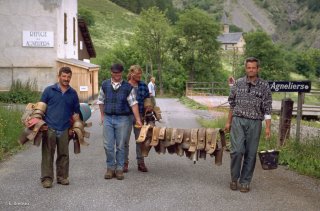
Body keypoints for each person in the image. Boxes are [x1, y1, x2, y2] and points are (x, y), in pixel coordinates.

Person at [224, 57, 272, 193]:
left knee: (251, 153)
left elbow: (267, 108)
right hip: (238, 120)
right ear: (246, 68)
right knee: (237, 151)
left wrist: (267, 127)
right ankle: (234, 178)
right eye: (248, 67)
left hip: (255, 122)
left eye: (253, 68)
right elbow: (232, 104)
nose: (251, 70)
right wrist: (228, 122)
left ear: (258, 69)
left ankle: (245, 181)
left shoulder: (264, 86)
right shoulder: (238, 83)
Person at [97, 63, 142, 180]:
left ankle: (120, 169)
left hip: (123, 118)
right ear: (111, 72)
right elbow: (101, 101)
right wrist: (102, 115)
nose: (117, 75)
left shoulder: (128, 87)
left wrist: (138, 120)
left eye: (119, 73)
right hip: (108, 117)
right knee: (108, 145)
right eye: (115, 73)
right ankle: (110, 168)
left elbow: (134, 104)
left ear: (122, 73)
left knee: (121, 145)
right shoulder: (105, 85)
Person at [40, 66, 81, 188]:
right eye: (64, 76)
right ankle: (47, 179)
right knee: (48, 154)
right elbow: (40, 109)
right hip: (49, 127)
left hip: (65, 128)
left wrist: (74, 128)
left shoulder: (73, 94)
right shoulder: (49, 90)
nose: (66, 79)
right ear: (59, 76)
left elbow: (76, 113)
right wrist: (41, 125)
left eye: (68, 77)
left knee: (64, 154)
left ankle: (62, 177)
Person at [124, 65, 151, 173]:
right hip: (125, 116)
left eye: (140, 74)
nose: (140, 76)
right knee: (124, 140)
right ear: (131, 74)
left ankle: (141, 163)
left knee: (140, 139)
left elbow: (147, 99)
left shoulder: (144, 85)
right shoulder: (124, 85)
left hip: (139, 115)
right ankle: (124, 163)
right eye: (137, 74)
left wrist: (149, 106)